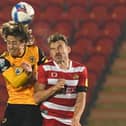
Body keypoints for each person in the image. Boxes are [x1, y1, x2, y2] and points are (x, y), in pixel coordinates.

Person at [34, 33, 88, 126]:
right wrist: (54, 88)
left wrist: (76, 118)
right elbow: (36, 98)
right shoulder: (44, 68)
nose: (56, 52)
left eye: (59, 47)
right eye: (53, 49)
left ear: (68, 49)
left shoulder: (81, 69)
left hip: (70, 121)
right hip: (50, 118)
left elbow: (81, 97)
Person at [0, 21, 47, 126]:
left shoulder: (36, 52)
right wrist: (28, 73)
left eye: (14, 43)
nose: (11, 46)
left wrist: (34, 76)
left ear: (23, 42)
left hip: (33, 106)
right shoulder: (3, 59)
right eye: (8, 42)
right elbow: (15, 82)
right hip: (14, 105)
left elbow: (48, 72)